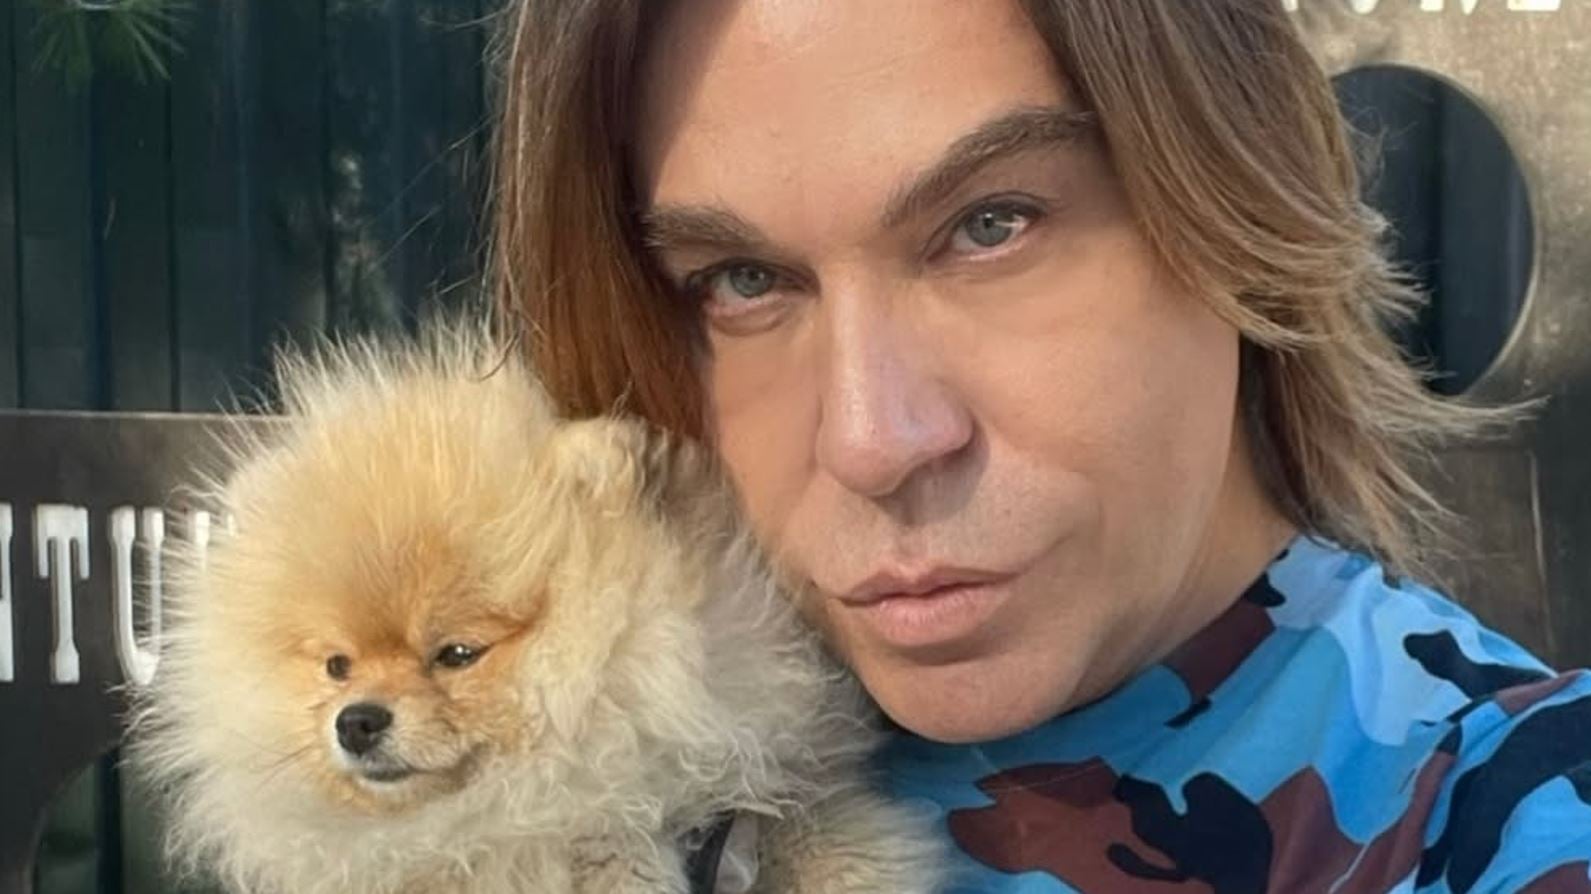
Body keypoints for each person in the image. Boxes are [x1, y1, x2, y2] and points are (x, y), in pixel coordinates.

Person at [490, 1, 1591, 891]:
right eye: (741, 282)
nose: (872, 441)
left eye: (991, 223)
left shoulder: (1506, 809)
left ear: (1234, 199)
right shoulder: (532, 779)